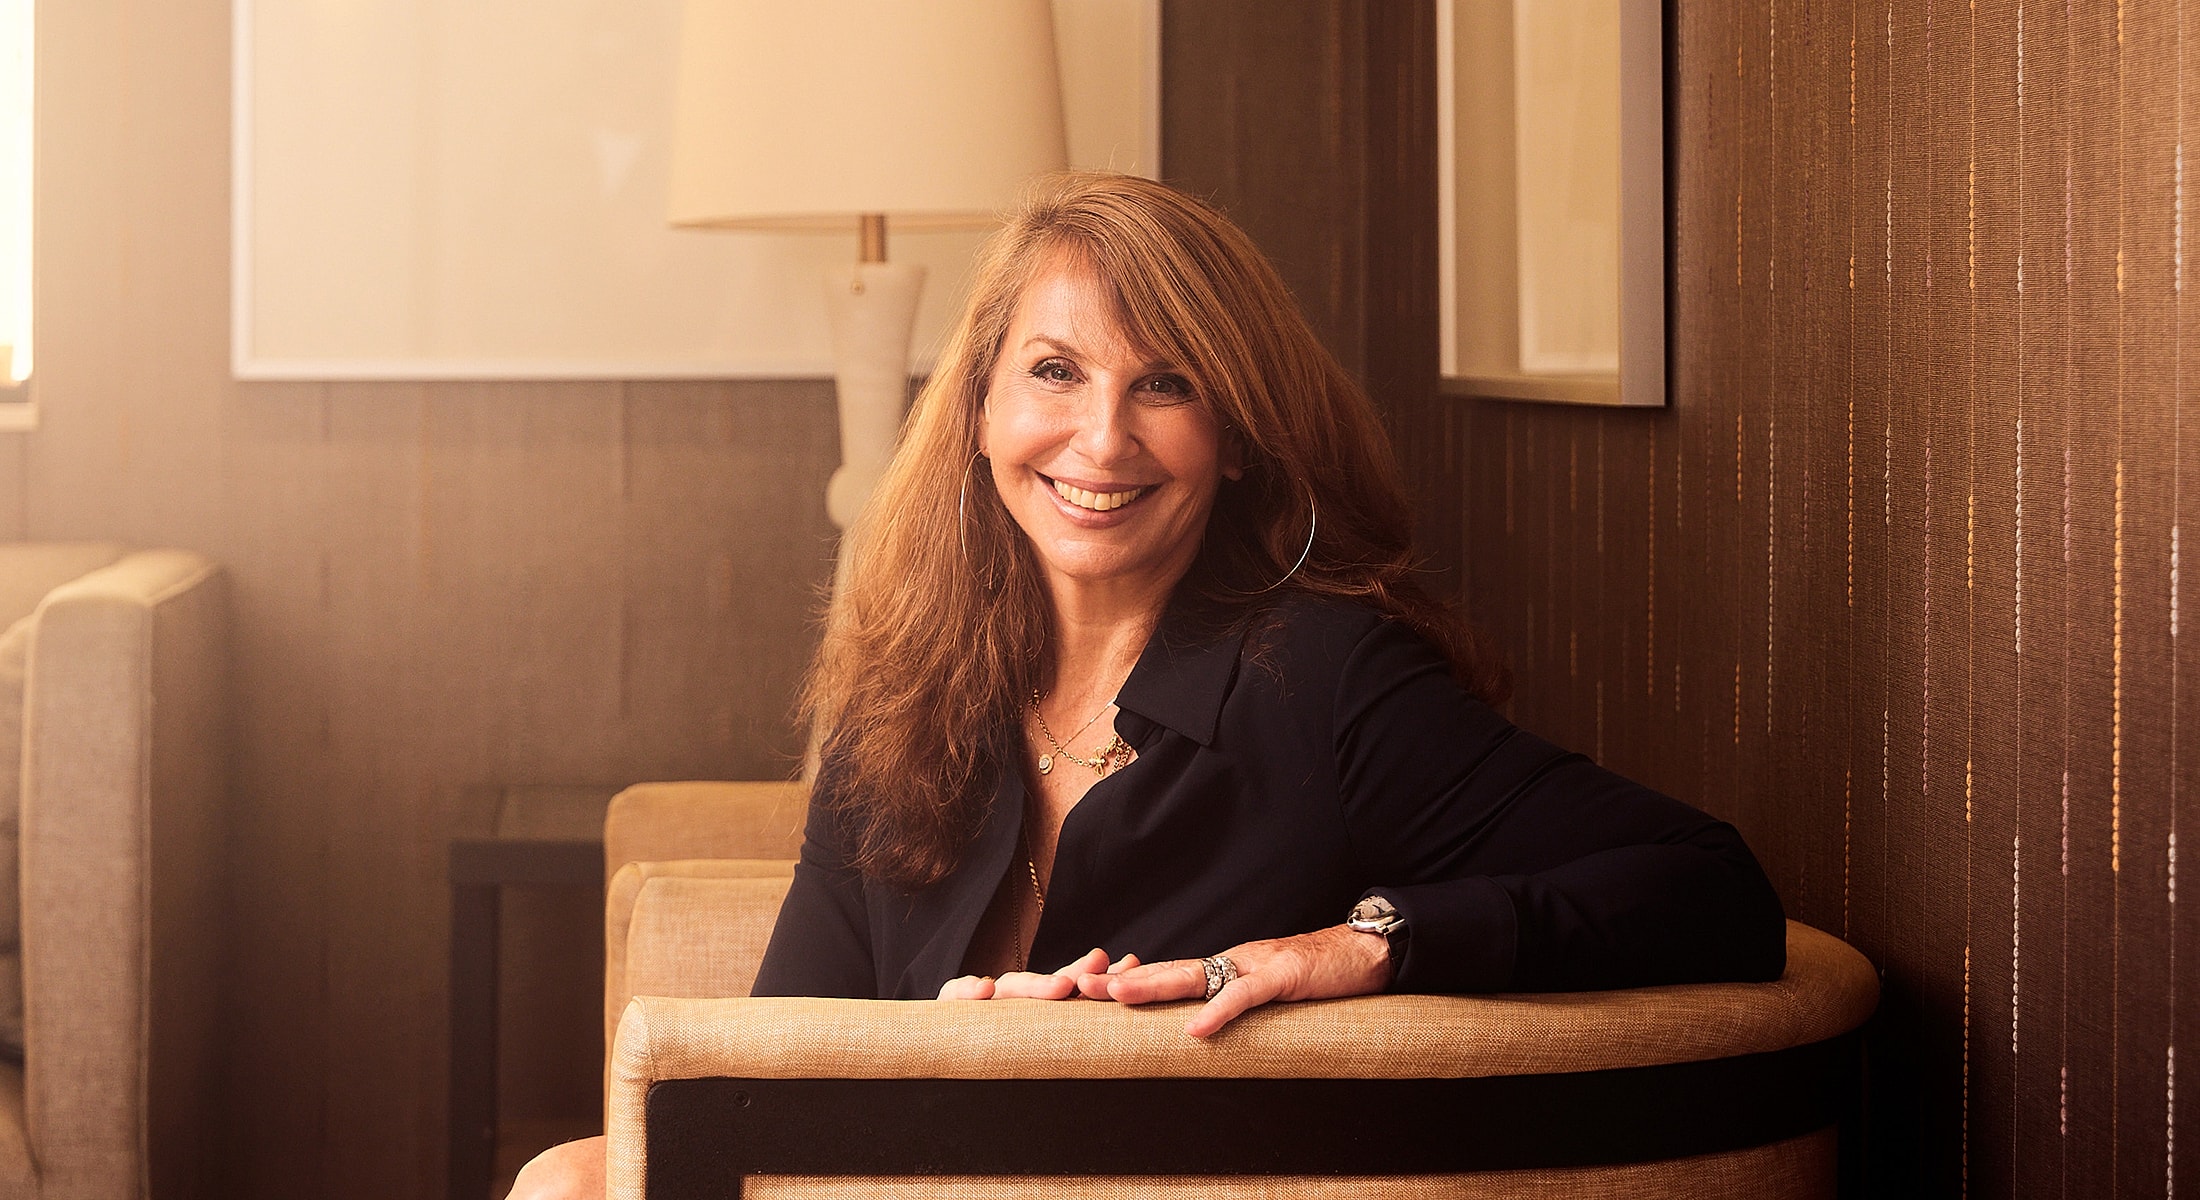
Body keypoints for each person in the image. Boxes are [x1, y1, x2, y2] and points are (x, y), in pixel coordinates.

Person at [507, 171, 1786, 1199]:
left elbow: (1714, 889)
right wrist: (944, 1037)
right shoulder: (903, 705)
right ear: (980, 407)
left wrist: (1367, 945)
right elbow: (774, 1066)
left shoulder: (1329, 679)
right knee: (563, 1179)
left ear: (1234, 441)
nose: (1103, 439)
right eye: (1056, 371)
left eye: (1165, 384)